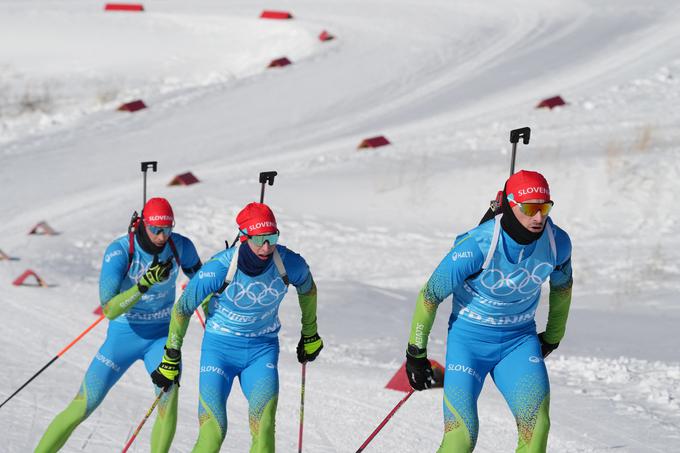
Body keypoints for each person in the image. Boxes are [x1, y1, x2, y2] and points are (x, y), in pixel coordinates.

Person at [404, 170, 573, 453]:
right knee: (462, 437)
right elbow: (429, 296)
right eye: (530, 208)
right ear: (509, 204)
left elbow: (562, 290)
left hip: (518, 341)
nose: (539, 218)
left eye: (545, 208)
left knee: (537, 427)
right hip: (468, 343)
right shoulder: (477, 245)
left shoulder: (558, 243)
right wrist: (415, 354)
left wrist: (553, 336)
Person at [151, 202, 323, 453]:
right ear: (244, 237)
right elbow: (182, 309)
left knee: (263, 430)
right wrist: (171, 356)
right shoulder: (220, 267)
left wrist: (310, 332)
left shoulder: (289, 262)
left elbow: (308, 290)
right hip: (219, 351)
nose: (267, 246)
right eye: (260, 239)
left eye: (272, 237)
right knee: (213, 433)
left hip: (262, 351)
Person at [35, 197, 202, 453]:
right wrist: (142, 285)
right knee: (82, 406)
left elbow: (204, 283)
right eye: (156, 229)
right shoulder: (121, 251)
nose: (162, 236)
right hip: (123, 337)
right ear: (143, 224)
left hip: (161, 339)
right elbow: (109, 309)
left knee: (168, 407)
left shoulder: (180, 246)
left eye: (168, 229)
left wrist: (214, 306)